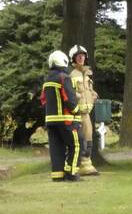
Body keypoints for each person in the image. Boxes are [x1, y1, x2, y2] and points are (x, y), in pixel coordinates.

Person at [41, 50, 82, 182]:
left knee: (56, 148)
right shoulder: (64, 77)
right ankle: (72, 173)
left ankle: (57, 175)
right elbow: (69, 98)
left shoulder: (47, 80)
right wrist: (77, 111)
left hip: (50, 121)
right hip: (66, 119)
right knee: (76, 144)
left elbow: (43, 100)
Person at [68, 45, 99, 176]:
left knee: (88, 138)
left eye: (83, 55)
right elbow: (69, 93)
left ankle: (87, 165)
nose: (81, 58)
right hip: (76, 114)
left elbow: (89, 90)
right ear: (73, 58)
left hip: (87, 113)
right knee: (80, 140)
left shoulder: (87, 74)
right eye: (78, 56)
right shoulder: (71, 75)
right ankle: (79, 166)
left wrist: (93, 94)